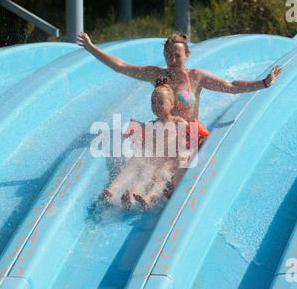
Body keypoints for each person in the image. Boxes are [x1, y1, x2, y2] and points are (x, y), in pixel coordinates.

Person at [77, 31, 282, 124]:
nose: (173, 59)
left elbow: (230, 85)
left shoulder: (196, 77)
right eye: (168, 55)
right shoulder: (157, 75)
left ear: (187, 55)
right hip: (164, 131)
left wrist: (263, 83)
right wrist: (91, 48)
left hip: (187, 135)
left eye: (177, 55)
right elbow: (121, 66)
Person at [103, 77, 191, 209]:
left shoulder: (178, 122)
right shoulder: (150, 124)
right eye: (153, 102)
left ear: (172, 104)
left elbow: (191, 139)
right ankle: (119, 192)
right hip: (153, 159)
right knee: (137, 163)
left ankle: (148, 197)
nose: (156, 106)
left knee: (161, 173)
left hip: (169, 160)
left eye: (160, 102)